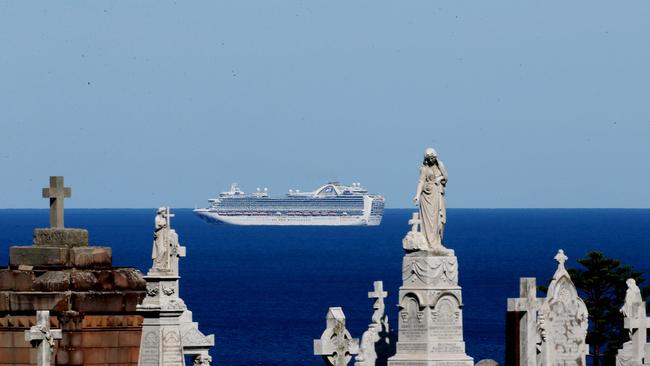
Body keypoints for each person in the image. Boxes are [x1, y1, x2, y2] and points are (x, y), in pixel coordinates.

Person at [413, 148, 448, 249]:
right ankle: (429, 243)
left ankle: (437, 243)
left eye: (433, 158)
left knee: (439, 221)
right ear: (426, 158)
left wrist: (439, 178)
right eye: (429, 158)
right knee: (428, 222)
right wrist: (417, 195)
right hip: (426, 197)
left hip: (437, 195)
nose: (431, 160)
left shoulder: (440, 165)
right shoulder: (424, 169)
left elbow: (446, 177)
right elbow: (421, 182)